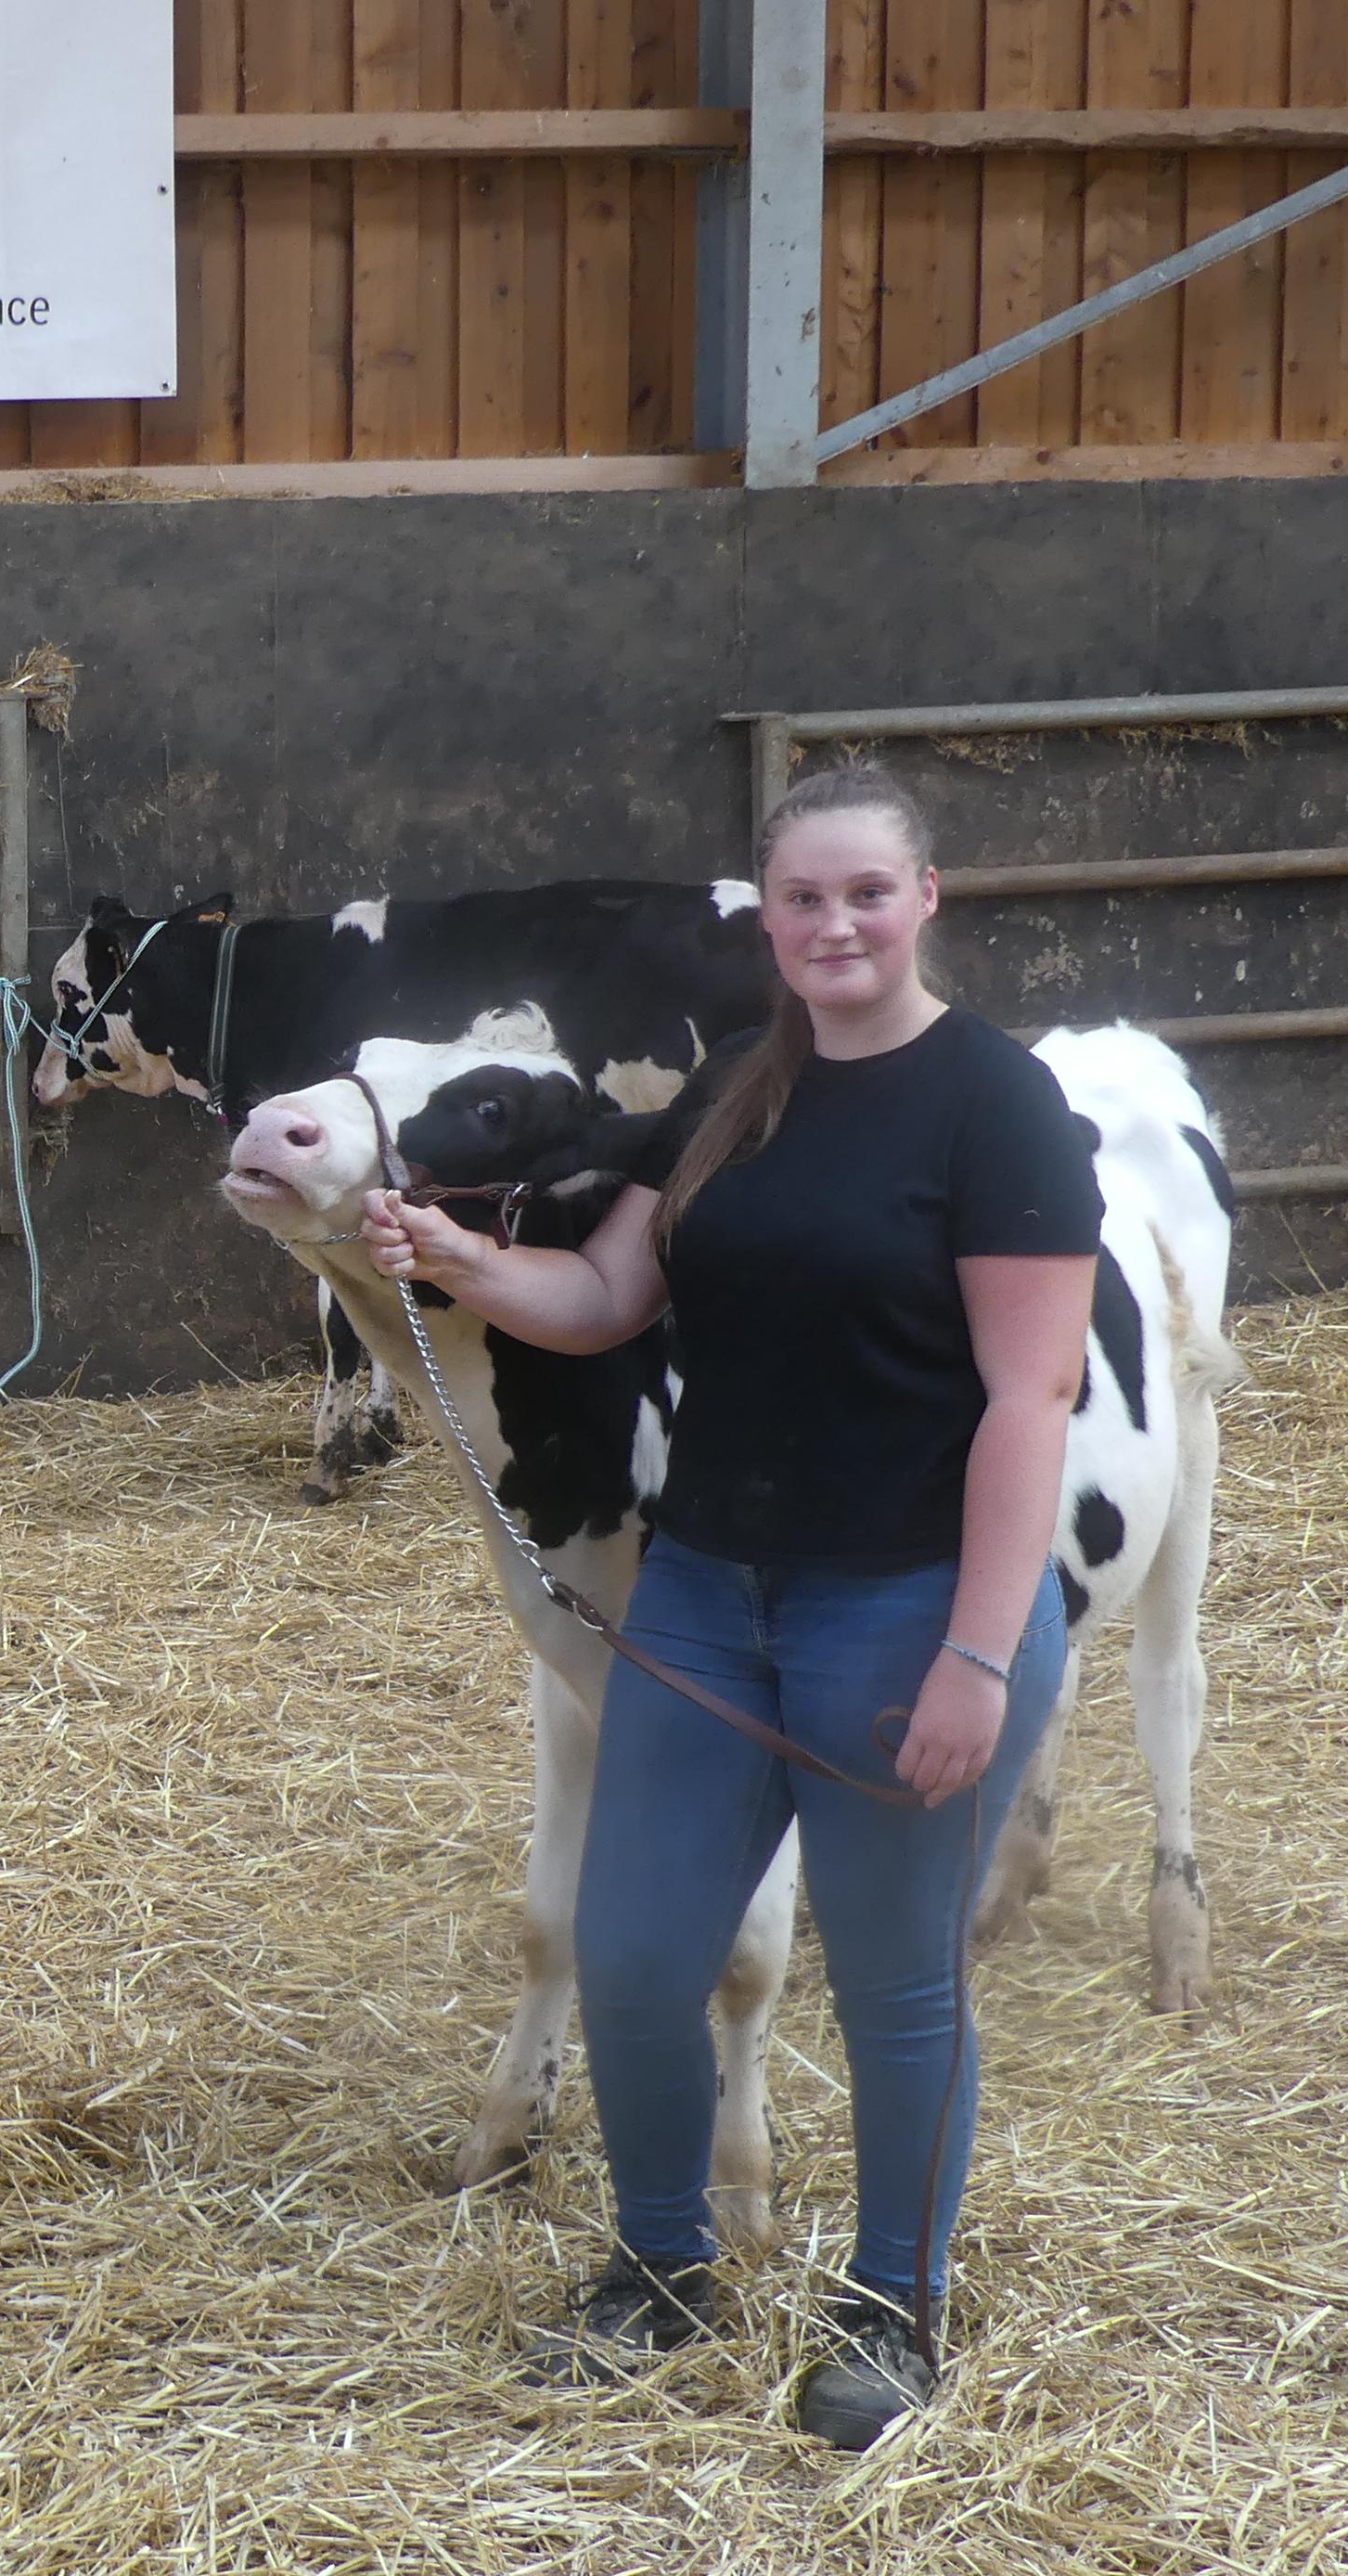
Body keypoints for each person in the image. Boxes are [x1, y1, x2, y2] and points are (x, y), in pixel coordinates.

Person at [364, 762, 1098, 2448]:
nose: (833, 926)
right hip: (706, 1591)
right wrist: (462, 1266)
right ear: (764, 922)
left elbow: (1029, 1401)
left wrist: (981, 1655)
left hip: (908, 1602)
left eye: (866, 893)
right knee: (631, 1957)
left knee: (899, 1984)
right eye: (801, 900)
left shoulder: (996, 1109)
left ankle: (895, 2306)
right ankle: (663, 2268)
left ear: (928, 901)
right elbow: (610, 1290)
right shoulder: (736, 1094)